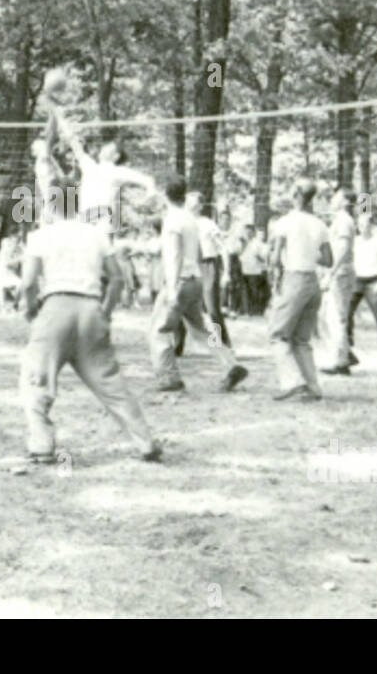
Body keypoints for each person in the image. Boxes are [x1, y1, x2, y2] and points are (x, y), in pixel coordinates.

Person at [18, 179, 161, 465]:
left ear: (50, 203)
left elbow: (29, 282)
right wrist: (105, 312)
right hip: (90, 308)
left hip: (56, 307)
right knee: (109, 382)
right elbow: (117, 279)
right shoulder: (96, 235)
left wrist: (32, 310)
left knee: (36, 379)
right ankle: (145, 442)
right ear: (77, 203)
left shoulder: (41, 235)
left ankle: (42, 444)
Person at [149, 177, 248, 394]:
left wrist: (172, 288)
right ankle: (230, 364)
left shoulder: (172, 221)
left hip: (180, 280)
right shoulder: (191, 220)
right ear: (184, 195)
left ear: (166, 195)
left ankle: (169, 377)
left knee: (158, 329)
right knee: (203, 330)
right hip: (195, 279)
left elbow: (174, 256)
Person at [268, 178, 332, 401]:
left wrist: (275, 279)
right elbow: (328, 259)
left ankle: (292, 381)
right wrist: (309, 251)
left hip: (294, 278)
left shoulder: (284, 222)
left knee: (277, 335)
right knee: (301, 340)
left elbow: (275, 258)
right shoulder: (320, 224)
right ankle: (314, 388)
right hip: (312, 281)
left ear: (296, 195)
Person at [321, 187, 358, 376]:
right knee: (330, 316)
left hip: (341, 273)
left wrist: (331, 273)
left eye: (336, 196)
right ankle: (344, 353)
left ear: (344, 201)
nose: (332, 199)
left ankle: (340, 361)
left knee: (336, 316)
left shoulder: (344, 220)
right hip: (338, 272)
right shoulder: (340, 220)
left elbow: (342, 249)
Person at [188, 192, 230, 347]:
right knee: (179, 305)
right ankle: (176, 346)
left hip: (207, 265)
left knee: (212, 308)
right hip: (190, 265)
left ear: (200, 206)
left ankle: (222, 343)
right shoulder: (184, 223)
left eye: (193, 202)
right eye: (188, 202)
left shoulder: (208, 223)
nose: (190, 205)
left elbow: (223, 248)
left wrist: (226, 272)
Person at [348, 212, 377, 353]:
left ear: (371, 226)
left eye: (366, 224)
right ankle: (348, 340)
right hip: (356, 280)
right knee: (348, 311)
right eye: (360, 225)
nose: (363, 227)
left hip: (373, 280)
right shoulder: (355, 241)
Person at [240, 224, 268, 316]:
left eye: (250, 232)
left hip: (255, 271)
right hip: (243, 270)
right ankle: (246, 310)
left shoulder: (257, 243)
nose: (248, 234)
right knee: (245, 291)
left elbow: (264, 257)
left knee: (254, 292)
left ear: (253, 233)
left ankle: (256, 310)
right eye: (246, 232)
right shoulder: (241, 243)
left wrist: (258, 257)